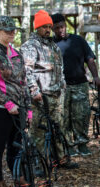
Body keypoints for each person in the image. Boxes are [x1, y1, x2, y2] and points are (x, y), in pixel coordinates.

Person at [20, 10, 77, 169]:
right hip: (40, 98)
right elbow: (27, 71)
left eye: (49, 26)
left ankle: (61, 159)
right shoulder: (30, 46)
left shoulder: (53, 46)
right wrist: (34, 90)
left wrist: (63, 84)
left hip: (57, 95)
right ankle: (40, 164)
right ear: (36, 27)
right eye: (44, 26)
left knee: (59, 129)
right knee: (39, 132)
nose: (47, 29)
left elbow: (60, 69)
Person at [0, 16, 32, 187]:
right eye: (7, 30)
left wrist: (27, 109)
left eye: (13, 30)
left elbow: (23, 83)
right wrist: (7, 103)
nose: (12, 32)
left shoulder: (17, 55)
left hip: (18, 108)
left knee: (16, 146)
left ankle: (19, 179)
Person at [51, 13, 100, 156]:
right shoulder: (51, 44)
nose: (60, 30)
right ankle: (69, 146)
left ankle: (82, 144)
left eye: (61, 26)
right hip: (61, 87)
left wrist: (96, 77)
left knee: (81, 115)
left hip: (80, 84)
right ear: (52, 29)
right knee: (64, 117)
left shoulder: (78, 40)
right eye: (56, 28)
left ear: (65, 25)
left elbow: (90, 60)